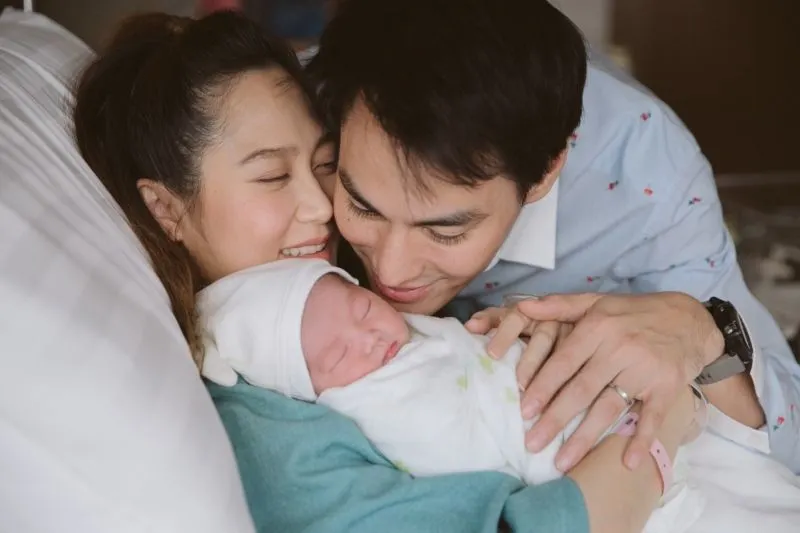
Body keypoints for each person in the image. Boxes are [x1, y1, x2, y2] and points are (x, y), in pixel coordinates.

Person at [72, 11, 697, 533]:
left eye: (326, 167)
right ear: (166, 209)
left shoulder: (352, 293)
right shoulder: (258, 416)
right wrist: (659, 428)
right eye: (271, 176)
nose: (323, 209)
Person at [308, 0, 800, 473]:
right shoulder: (298, 109)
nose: (391, 270)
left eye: (446, 230)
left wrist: (703, 336)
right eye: (362, 206)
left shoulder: (649, 181)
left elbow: (792, 438)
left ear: (545, 172)